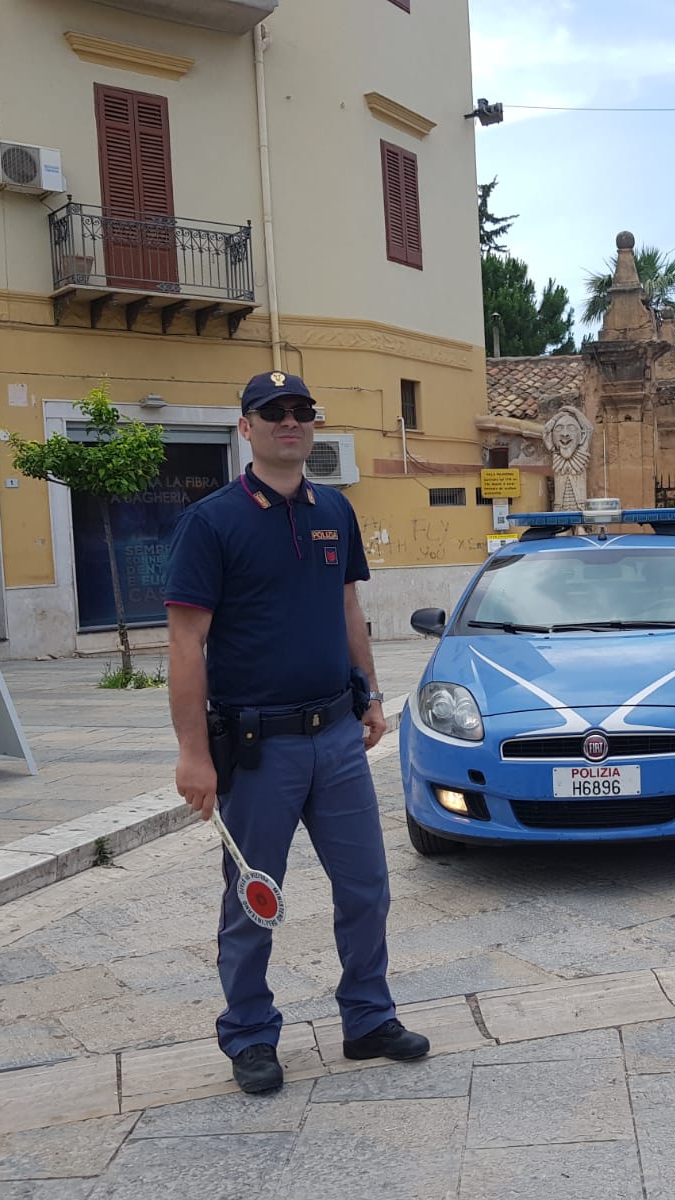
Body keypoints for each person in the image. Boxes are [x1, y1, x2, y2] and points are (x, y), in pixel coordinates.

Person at [165, 370, 428, 1095]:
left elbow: (348, 608)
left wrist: (371, 693)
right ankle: (249, 1033)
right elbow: (186, 644)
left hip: (337, 737)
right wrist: (193, 755)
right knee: (255, 896)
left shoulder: (334, 511)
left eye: (302, 411)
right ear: (245, 426)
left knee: (368, 886)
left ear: (313, 425)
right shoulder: (213, 521)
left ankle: (368, 1018)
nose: (290, 422)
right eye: (273, 412)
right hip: (257, 749)